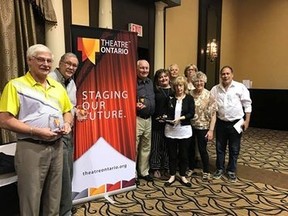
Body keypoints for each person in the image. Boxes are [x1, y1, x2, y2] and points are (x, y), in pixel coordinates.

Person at [0, 44, 73, 215]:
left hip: (57, 146)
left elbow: (67, 111)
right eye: (41, 59)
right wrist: (36, 131)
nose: (46, 64)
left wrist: (68, 124)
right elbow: (4, 120)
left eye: (49, 60)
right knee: (30, 199)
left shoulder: (57, 86)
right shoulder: (15, 86)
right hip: (31, 147)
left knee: (54, 197)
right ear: (29, 61)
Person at [49, 52, 79, 216]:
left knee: (67, 171)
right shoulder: (50, 80)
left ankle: (65, 207)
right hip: (51, 134)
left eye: (74, 65)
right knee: (59, 174)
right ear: (60, 63)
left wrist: (77, 112)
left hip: (67, 132)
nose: (71, 68)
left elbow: (70, 107)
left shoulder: (72, 83)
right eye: (68, 63)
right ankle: (63, 209)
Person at [210, 65, 252, 182]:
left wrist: (247, 120)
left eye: (228, 73)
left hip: (237, 122)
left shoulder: (240, 87)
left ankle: (231, 170)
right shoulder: (215, 89)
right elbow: (212, 107)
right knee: (220, 148)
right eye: (223, 74)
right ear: (220, 76)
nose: (225, 76)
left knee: (234, 148)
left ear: (232, 75)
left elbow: (247, 104)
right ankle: (219, 169)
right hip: (221, 123)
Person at [164, 76, 195, 187]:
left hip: (184, 130)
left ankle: (182, 175)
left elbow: (191, 113)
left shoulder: (189, 98)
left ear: (184, 86)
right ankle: (172, 175)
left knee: (184, 155)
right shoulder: (170, 97)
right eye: (177, 85)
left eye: (181, 85)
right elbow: (166, 111)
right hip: (171, 130)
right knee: (172, 155)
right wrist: (164, 117)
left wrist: (181, 118)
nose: (179, 88)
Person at [188, 71, 217, 181]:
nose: (199, 83)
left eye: (201, 81)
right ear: (193, 82)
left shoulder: (209, 95)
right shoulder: (190, 94)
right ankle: (190, 168)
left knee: (202, 149)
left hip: (203, 127)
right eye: (196, 81)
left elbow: (214, 114)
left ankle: (206, 170)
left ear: (204, 81)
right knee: (190, 149)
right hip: (190, 126)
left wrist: (211, 130)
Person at [150, 69, 173, 179]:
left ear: (169, 77)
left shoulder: (174, 90)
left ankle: (166, 167)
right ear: (157, 80)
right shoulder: (155, 91)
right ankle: (156, 168)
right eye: (160, 77)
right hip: (156, 122)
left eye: (165, 76)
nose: (163, 79)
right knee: (156, 146)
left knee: (168, 146)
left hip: (170, 123)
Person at [136, 59, 155, 184]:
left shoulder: (150, 82)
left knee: (146, 147)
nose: (145, 70)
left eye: (147, 68)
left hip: (149, 120)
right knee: (134, 147)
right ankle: (133, 173)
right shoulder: (132, 82)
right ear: (137, 69)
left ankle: (144, 172)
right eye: (142, 68)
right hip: (136, 119)